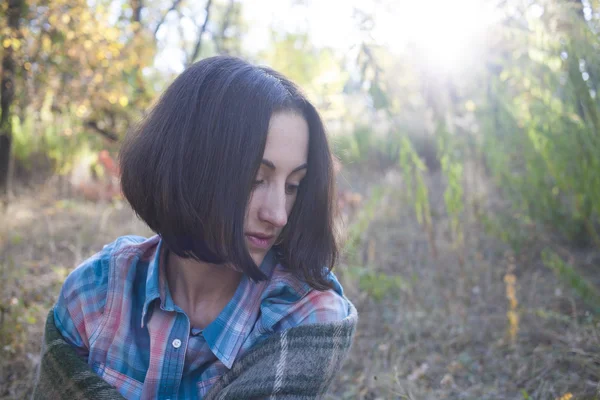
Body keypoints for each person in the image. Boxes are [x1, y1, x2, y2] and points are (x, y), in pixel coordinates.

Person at [33, 56, 357, 400]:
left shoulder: (306, 317)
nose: (278, 214)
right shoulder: (95, 291)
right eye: (255, 179)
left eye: (293, 186)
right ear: (189, 169)